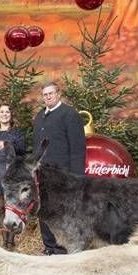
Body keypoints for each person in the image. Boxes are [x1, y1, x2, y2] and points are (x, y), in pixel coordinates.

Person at [32, 82, 86, 255]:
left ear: (58, 94)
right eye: (45, 94)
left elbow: (78, 149)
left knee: (62, 214)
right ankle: (49, 247)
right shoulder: (40, 116)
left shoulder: (70, 115)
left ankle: (61, 249)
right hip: (43, 176)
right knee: (45, 211)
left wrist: (76, 179)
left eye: (51, 93)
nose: (48, 97)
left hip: (63, 176)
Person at [0, 104, 25, 250]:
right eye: (2, 112)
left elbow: (21, 151)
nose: (4, 114)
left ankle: (10, 243)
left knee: (11, 209)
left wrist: (7, 144)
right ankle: (4, 240)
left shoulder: (17, 134)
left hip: (12, 177)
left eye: (7, 111)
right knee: (1, 209)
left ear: (11, 115)